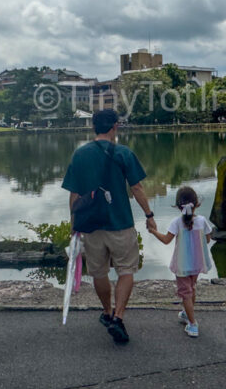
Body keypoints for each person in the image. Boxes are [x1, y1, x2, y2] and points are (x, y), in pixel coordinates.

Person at [62, 109, 157, 344]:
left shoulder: (80, 155)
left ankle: (106, 311)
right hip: (120, 223)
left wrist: (74, 226)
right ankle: (118, 316)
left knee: (99, 272)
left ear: (94, 127)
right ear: (115, 126)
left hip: (91, 226)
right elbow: (137, 189)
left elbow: (74, 195)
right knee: (126, 270)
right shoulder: (124, 153)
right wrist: (149, 214)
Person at [149, 186, 213, 338]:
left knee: (185, 293)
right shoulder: (202, 221)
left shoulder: (176, 223)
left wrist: (153, 231)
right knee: (191, 289)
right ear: (196, 203)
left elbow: (166, 240)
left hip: (183, 265)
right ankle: (186, 314)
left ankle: (193, 324)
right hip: (197, 263)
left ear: (178, 206)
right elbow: (208, 239)